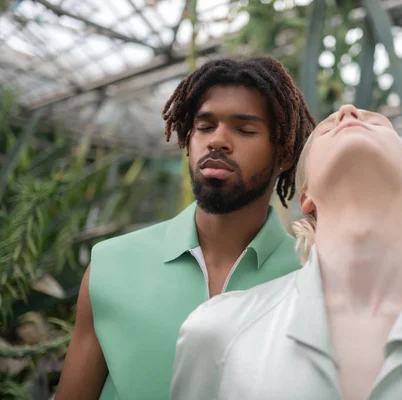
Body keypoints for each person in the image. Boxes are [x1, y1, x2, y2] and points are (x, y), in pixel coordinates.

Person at [171, 104, 402, 400]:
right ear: (307, 199)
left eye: (378, 122)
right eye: (325, 130)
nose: (347, 110)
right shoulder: (215, 333)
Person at [55, 57, 315, 400]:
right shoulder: (111, 264)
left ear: (283, 155)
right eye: (205, 127)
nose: (217, 141)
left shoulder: (310, 278)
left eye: (245, 129)